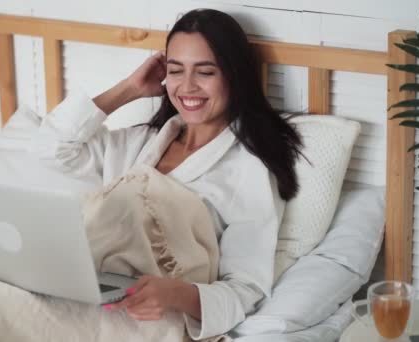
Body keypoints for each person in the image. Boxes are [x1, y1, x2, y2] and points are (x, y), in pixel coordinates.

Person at [27, 8, 303, 340]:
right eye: (175, 71)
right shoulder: (137, 142)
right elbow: (49, 149)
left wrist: (174, 294)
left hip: (146, 317)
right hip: (78, 288)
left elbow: (245, 289)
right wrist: (129, 88)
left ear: (234, 76)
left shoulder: (248, 170)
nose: (187, 87)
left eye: (205, 72)